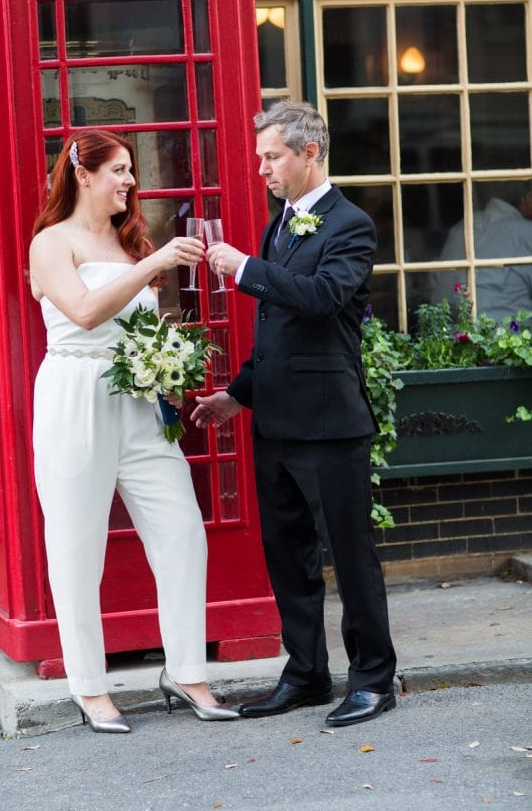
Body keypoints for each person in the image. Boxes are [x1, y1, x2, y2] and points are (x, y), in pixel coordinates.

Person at [191, 100, 397, 727]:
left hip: (332, 424)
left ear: (311, 153)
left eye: (272, 156)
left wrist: (247, 269)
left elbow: (325, 299)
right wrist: (237, 395)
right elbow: (275, 335)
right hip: (276, 421)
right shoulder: (279, 223)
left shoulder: (351, 224)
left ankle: (373, 679)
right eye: (259, 157)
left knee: (351, 555)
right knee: (289, 557)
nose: (262, 169)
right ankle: (306, 673)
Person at [29, 129, 239, 734]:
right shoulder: (52, 243)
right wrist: (155, 261)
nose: (129, 182)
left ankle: (186, 672)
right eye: (119, 170)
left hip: (140, 404)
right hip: (75, 397)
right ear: (84, 175)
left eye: (131, 171)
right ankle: (90, 687)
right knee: (76, 547)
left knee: (182, 535)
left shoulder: (128, 243)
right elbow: (87, 313)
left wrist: (169, 365)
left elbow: (138, 326)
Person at [431, 183, 532, 321]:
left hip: (444, 332)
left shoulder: (463, 225)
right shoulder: (526, 232)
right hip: (504, 335)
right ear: (528, 198)